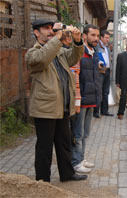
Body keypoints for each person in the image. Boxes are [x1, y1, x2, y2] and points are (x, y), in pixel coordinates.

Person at [25, 19, 87, 182]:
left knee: (64, 143)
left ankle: (67, 174)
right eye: (46, 29)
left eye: (51, 28)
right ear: (36, 32)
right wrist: (57, 39)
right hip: (45, 109)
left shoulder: (57, 50)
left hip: (62, 106)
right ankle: (42, 180)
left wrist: (77, 41)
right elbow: (43, 58)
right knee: (44, 148)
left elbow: (73, 57)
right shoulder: (33, 53)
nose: (50, 31)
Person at [71, 24, 101, 173]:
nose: (96, 38)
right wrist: (77, 99)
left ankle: (81, 158)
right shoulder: (79, 53)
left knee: (86, 132)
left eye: (97, 36)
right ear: (84, 36)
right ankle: (76, 162)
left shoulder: (93, 53)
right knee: (78, 133)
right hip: (81, 99)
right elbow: (75, 75)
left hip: (91, 99)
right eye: (93, 35)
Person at [93, 30, 113, 118]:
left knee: (106, 92)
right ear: (101, 37)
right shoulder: (97, 46)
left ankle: (104, 110)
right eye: (106, 37)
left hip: (107, 71)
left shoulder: (107, 48)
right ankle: (96, 111)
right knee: (99, 91)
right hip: (100, 71)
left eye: (108, 38)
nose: (108, 39)